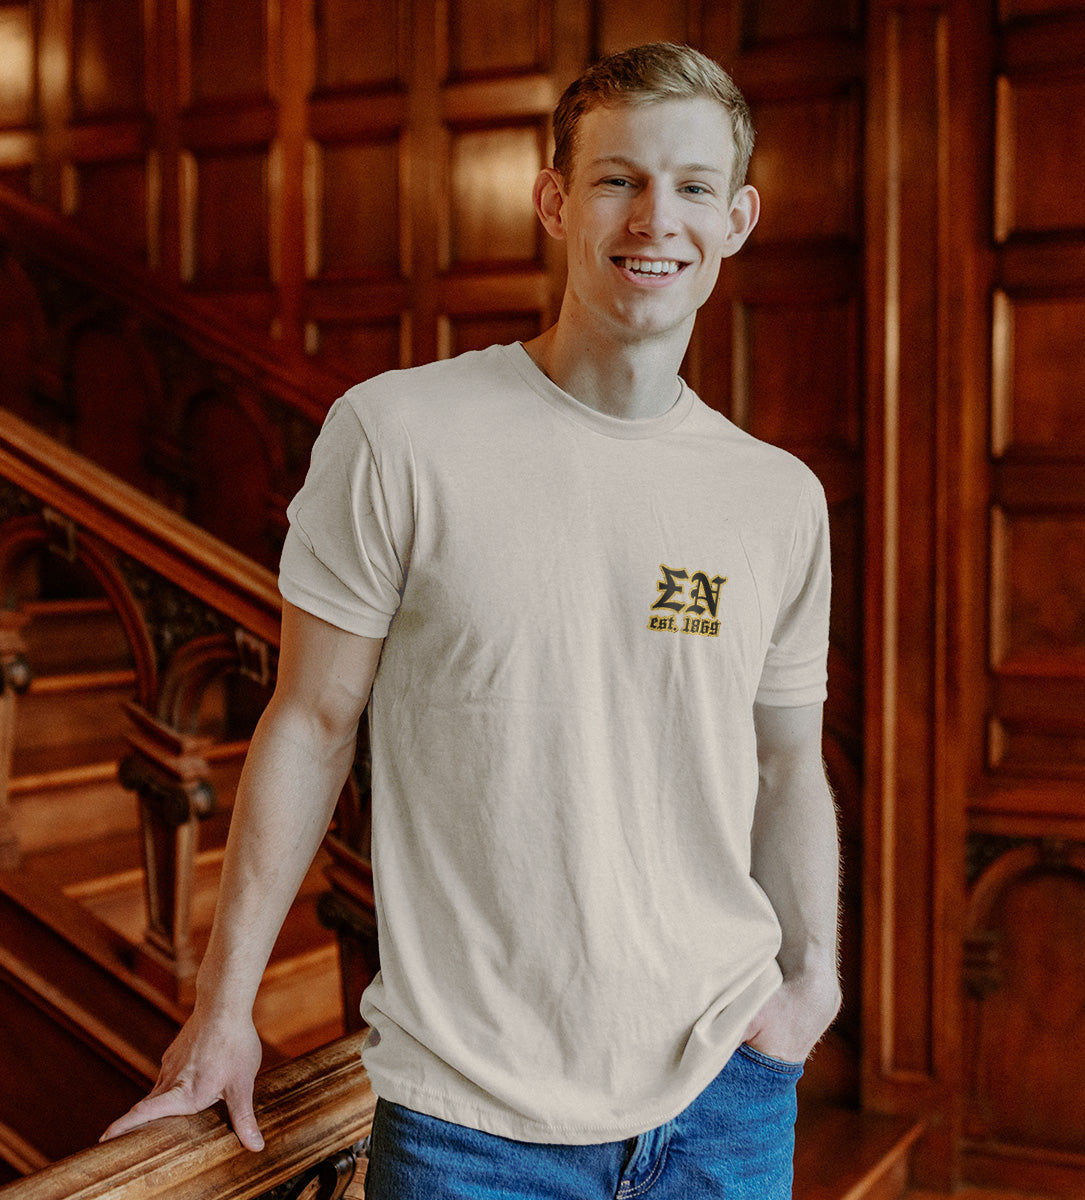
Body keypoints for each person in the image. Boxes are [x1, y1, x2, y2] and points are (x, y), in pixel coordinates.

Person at [102, 42, 842, 1199]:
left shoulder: (778, 497)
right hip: (471, 1125)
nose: (656, 218)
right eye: (617, 180)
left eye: (694, 186)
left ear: (738, 218)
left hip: (725, 1101)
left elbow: (788, 761)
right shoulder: (398, 436)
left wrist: (816, 981)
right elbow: (309, 720)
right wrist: (224, 1008)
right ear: (553, 200)